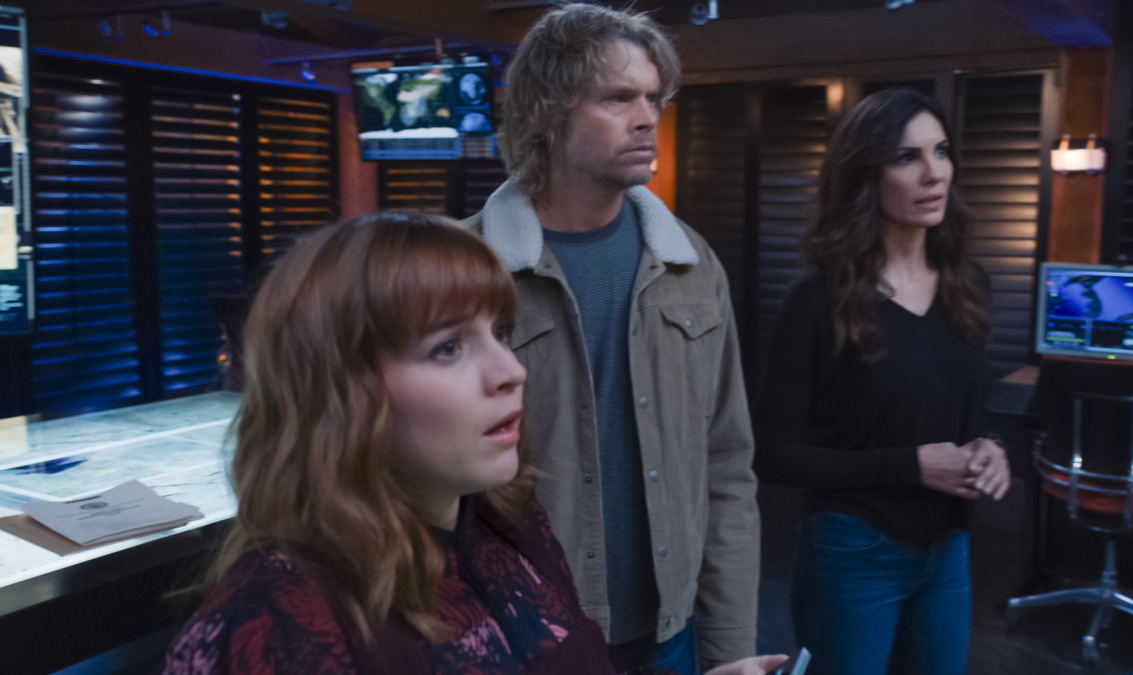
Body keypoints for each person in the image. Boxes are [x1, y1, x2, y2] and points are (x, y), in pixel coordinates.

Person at [158, 212, 785, 675]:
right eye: (449, 347)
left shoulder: (510, 528)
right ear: (340, 391)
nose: (512, 372)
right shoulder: (279, 625)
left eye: (500, 333)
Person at [466, 5, 760, 673]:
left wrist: (729, 648)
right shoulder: (466, 267)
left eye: (654, 98)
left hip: (671, 634)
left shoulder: (690, 263)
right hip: (525, 636)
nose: (648, 117)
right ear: (549, 112)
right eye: (618, 97)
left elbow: (727, 466)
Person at [755, 89, 1012, 675]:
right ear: (865, 175)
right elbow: (773, 454)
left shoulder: (969, 286)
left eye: (940, 152)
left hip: (948, 549)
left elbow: (966, 413)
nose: (933, 173)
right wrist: (912, 466)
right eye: (906, 157)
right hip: (854, 551)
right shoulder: (817, 301)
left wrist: (991, 446)